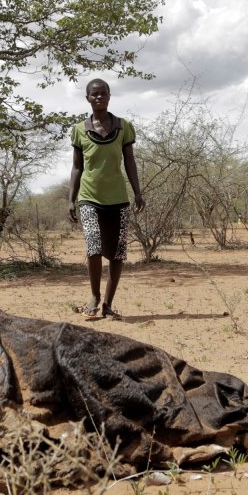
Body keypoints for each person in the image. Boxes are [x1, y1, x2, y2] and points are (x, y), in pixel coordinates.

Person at [68, 78, 145, 320]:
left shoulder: (124, 127)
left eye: (103, 93)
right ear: (88, 99)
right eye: (94, 94)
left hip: (118, 199)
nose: (99, 97)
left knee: (117, 253)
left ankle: (108, 305)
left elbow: (129, 161)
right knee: (93, 246)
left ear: (110, 96)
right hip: (89, 198)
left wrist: (138, 192)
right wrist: (71, 199)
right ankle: (94, 296)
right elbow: (77, 167)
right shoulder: (79, 129)